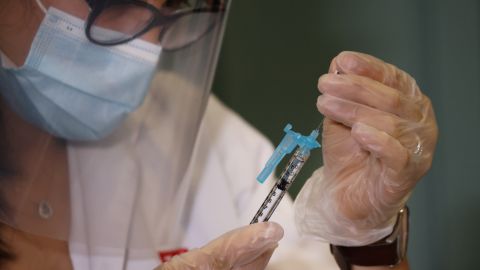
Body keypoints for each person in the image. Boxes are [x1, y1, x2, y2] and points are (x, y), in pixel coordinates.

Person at [0, 0, 438, 269]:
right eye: (113, 1)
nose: (149, 44)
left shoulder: (197, 134)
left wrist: (364, 240)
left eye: (173, 5)